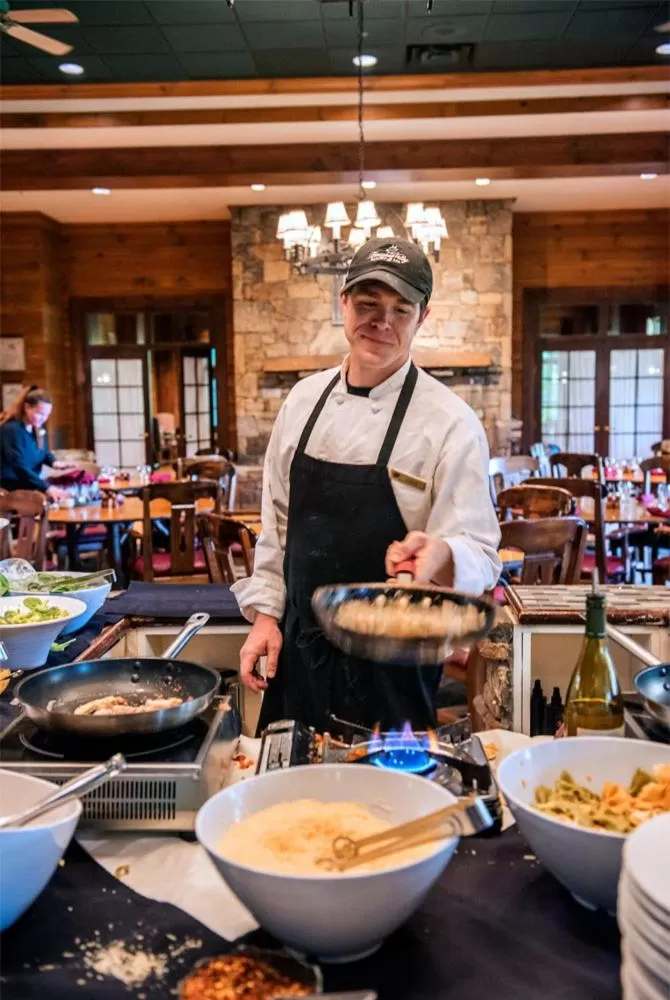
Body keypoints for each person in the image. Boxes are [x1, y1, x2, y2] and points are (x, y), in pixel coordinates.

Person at [232, 237, 501, 734]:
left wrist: (441, 554)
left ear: (422, 318)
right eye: (368, 305)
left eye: (401, 309)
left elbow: (482, 555)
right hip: (299, 656)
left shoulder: (450, 423)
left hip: (393, 670)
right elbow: (277, 528)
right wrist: (266, 617)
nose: (382, 322)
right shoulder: (301, 402)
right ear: (343, 304)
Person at [0, 385, 72, 502]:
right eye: (40, 413)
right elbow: (19, 467)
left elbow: (42, 451)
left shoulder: (36, 428)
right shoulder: (12, 429)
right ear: (27, 407)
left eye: (47, 415)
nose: (44, 419)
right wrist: (47, 487)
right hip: (8, 490)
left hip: (27, 485)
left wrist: (53, 462)